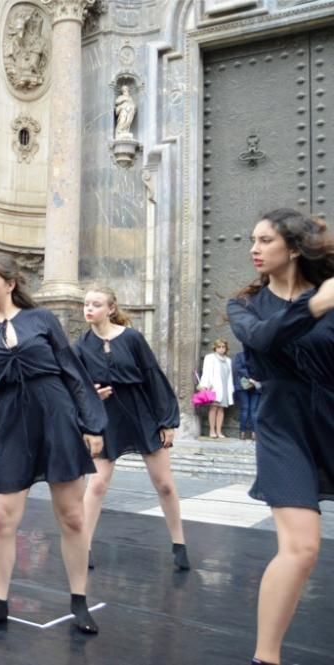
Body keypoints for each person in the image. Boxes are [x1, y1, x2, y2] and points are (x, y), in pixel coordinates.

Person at [0, 253, 105, 635]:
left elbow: (73, 373)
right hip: (9, 425)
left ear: (11, 283)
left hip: (56, 417)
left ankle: (79, 602)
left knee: (71, 516)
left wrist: (93, 425)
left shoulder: (42, 320)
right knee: (3, 518)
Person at [226, 208, 334, 665]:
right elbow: (265, 339)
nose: (254, 248)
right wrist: (315, 306)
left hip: (329, 417)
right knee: (302, 547)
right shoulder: (244, 306)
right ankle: (265, 658)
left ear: (292, 248)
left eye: (265, 240)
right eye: (252, 239)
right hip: (282, 425)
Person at [75, 287, 188, 572]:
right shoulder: (80, 345)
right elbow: (75, 386)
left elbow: (153, 376)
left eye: (96, 304)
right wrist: (92, 395)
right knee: (97, 484)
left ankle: (179, 543)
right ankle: (83, 547)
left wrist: (167, 421)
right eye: (86, 304)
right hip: (106, 416)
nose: (88, 309)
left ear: (111, 309)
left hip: (141, 412)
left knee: (164, 483)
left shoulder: (133, 338)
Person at [201, 339, 234, 438]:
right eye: (219, 347)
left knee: (221, 409)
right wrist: (206, 384)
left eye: (223, 347)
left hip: (225, 387)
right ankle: (212, 431)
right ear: (215, 348)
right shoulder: (210, 358)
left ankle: (219, 431)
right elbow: (206, 372)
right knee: (213, 408)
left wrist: (231, 389)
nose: (221, 349)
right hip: (214, 387)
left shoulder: (228, 360)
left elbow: (230, 375)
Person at [232, 350, 261, 440]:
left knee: (253, 410)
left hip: (255, 386)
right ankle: (242, 432)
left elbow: (262, 369)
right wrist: (250, 378)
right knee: (245, 409)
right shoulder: (239, 355)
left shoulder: (259, 356)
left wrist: (254, 379)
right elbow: (238, 368)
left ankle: (254, 433)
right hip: (242, 385)